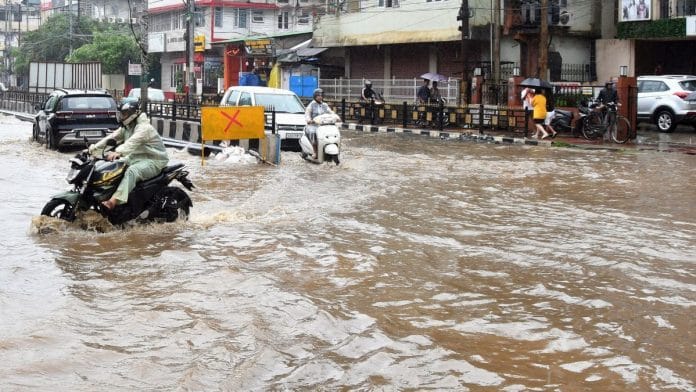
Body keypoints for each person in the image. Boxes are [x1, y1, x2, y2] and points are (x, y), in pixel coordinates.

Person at [88, 101, 169, 210]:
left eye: (124, 114)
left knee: (132, 171)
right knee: (113, 167)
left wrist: (118, 152)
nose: (121, 117)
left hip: (154, 160)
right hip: (136, 157)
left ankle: (113, 201)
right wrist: (93, 149)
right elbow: (111, 137)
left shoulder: (144, 128)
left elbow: (132, 142)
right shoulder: (127, 127)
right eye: (121, 114)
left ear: (133, 114)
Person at [304, 88, 338, 156]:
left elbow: (330, 112)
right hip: (314, 125)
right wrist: (309, 120)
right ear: (315, 96)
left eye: (321, 95)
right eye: (318, 95)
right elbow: (307, 114)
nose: (320, 97)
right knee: (313, 133)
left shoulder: (325, 105)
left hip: (324, 125)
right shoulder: (311, 105)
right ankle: (315, 151)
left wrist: (335, 116)